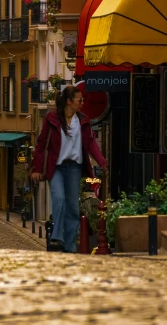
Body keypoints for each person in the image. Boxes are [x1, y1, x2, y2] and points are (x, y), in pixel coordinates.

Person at [31, 85, 107, 253]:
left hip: (74, 167)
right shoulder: (52, 119)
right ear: (69, 101)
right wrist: (36, 168)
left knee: (72, 207)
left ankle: (70, 246)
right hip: (56, 167)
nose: (82, 103)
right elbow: (41, 144)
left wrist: (102, 161)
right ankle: (57, 237)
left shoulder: (83, 121)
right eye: (79, 100)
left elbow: (91, 144)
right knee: (59, 199)